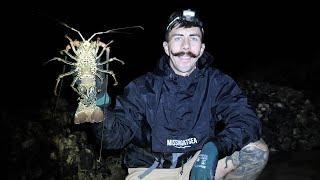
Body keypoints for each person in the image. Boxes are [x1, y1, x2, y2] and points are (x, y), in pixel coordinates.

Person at [91, 9, 269, 180]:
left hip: (198, 163)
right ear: (166, 48)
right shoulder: (141, 88)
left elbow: (247, 121)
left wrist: (214, 148)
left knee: (256, 150)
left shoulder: (217, 83)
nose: (186, 46)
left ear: (201, 48)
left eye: (193, 38)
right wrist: (98, 104)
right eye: (178, 38)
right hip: (151, 171)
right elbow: (112, 139)